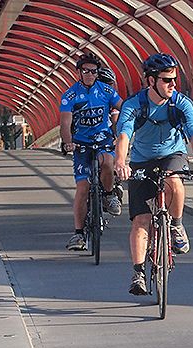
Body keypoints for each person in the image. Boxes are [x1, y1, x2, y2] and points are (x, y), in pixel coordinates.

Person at [114, 53, 193, 296]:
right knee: (141, 220)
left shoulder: (181, 104)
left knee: (174, 181)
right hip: (141, 160)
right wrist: (120, 162)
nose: (173, 85)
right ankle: (138, 273)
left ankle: (176, 226)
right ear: (151, 81)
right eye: (167, 80)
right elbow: (124, 135)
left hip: (172, 154)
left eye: (174, 79)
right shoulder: (134, 105)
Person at [60, 52, 124, 251]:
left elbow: (123, 107)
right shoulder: (70, 95)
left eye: (93, 71)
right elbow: (65, 122)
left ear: (97, 74)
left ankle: (108, 194)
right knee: (82, 188)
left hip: (103, 140)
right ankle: (78, 234)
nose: (89, 74)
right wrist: (68, 142)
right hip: (81, 144)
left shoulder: (106, 91)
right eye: (85, 71)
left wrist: (127, 128)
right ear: (79, 72)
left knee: (107, 162)